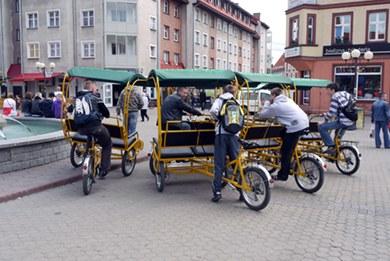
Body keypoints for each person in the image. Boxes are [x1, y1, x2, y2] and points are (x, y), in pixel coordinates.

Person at [256, 87, 309, 182]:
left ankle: (283, 175)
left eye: (270, 96)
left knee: (286, 153)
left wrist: (267, 103)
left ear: (273, 95)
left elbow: (262, 115)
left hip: (295, 127)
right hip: (304, 123)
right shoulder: (288, 100)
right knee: (282, 133)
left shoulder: (276, 106)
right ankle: (285, 156)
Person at [209, 84, 241, 202]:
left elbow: (213, 111)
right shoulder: (236, 101)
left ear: (223, 91)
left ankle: (217, 192)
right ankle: (242, 191)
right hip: (234, 135)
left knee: (219, 164)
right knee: (235, 162)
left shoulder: (220, 100)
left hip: (222, 134)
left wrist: (219, 119)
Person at [75, 80, 112, 178]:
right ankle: (104, 170)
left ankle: (87, 155)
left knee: (89, 136)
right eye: (95, 88)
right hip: (96, 127)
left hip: (81, 129)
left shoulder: (78, 98)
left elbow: (71, 110)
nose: (96, 90)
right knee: (107, 143)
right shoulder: (95, 97)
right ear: (92, 88)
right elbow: (107, 113)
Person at [319, 83, 355, 154]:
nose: (327, 92)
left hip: (343, 121)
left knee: (322, 128)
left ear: (332, 90)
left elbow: (331, 112)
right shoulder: (345, 93)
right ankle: (337, 151)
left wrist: (324, 117)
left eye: (328, 90)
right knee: (337, 138)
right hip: (351, 120)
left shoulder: (335, 96)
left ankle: (330, 146)